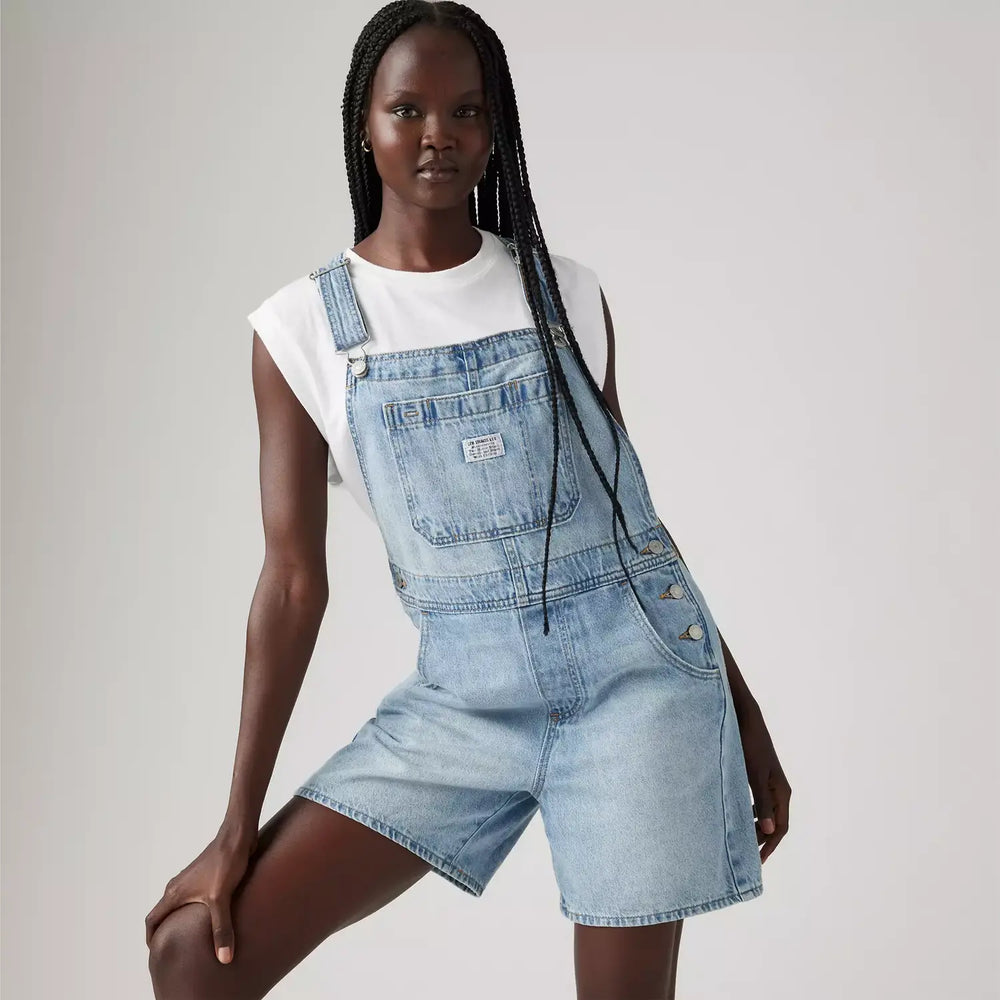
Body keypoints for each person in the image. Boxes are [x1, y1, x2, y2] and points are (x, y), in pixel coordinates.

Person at [145, 3, 791, 997]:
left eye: (466, 110)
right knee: (194, 953)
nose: (437, 134)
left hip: (639, 694)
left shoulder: (565, 294)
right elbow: (292, 582)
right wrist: (237, 826)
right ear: (365, 122)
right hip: (462, 706)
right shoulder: (301, 331)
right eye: (408, 109)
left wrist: (742, 714)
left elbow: (636, 531)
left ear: (495, 130)